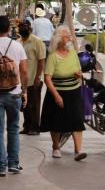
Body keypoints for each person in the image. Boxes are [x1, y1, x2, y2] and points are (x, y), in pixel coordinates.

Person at [0, 16, 28, 177]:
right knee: (14, 129)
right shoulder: (17, 45)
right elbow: (24, 71)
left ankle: (1, 166)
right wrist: (24, 91)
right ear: (9, 29)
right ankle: (14, 164)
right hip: (15, 94)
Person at [40, 25, 87, 161]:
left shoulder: (73, 53)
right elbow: (47, 78)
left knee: (77, 120)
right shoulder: (53, 57)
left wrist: (79, 75)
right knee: (56, 121)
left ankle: (78, 151)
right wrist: (56, 95)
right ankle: (56, 147)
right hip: (58, 92)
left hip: (74, 92)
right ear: (59, 39)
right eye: (68, 37)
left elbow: (78, 70)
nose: (71, 39)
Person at [18, 20, 46, 135]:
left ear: (30, 28)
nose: (22, 29)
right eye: (21, 27)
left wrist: (38, 77)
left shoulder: (37, 41)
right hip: (22, 80)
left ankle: (35, 127)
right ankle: (27, 126)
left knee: (33, 104)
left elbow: (41, 60)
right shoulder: (18, 42)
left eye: (25, 26)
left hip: (34, 78)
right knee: (24, 103)